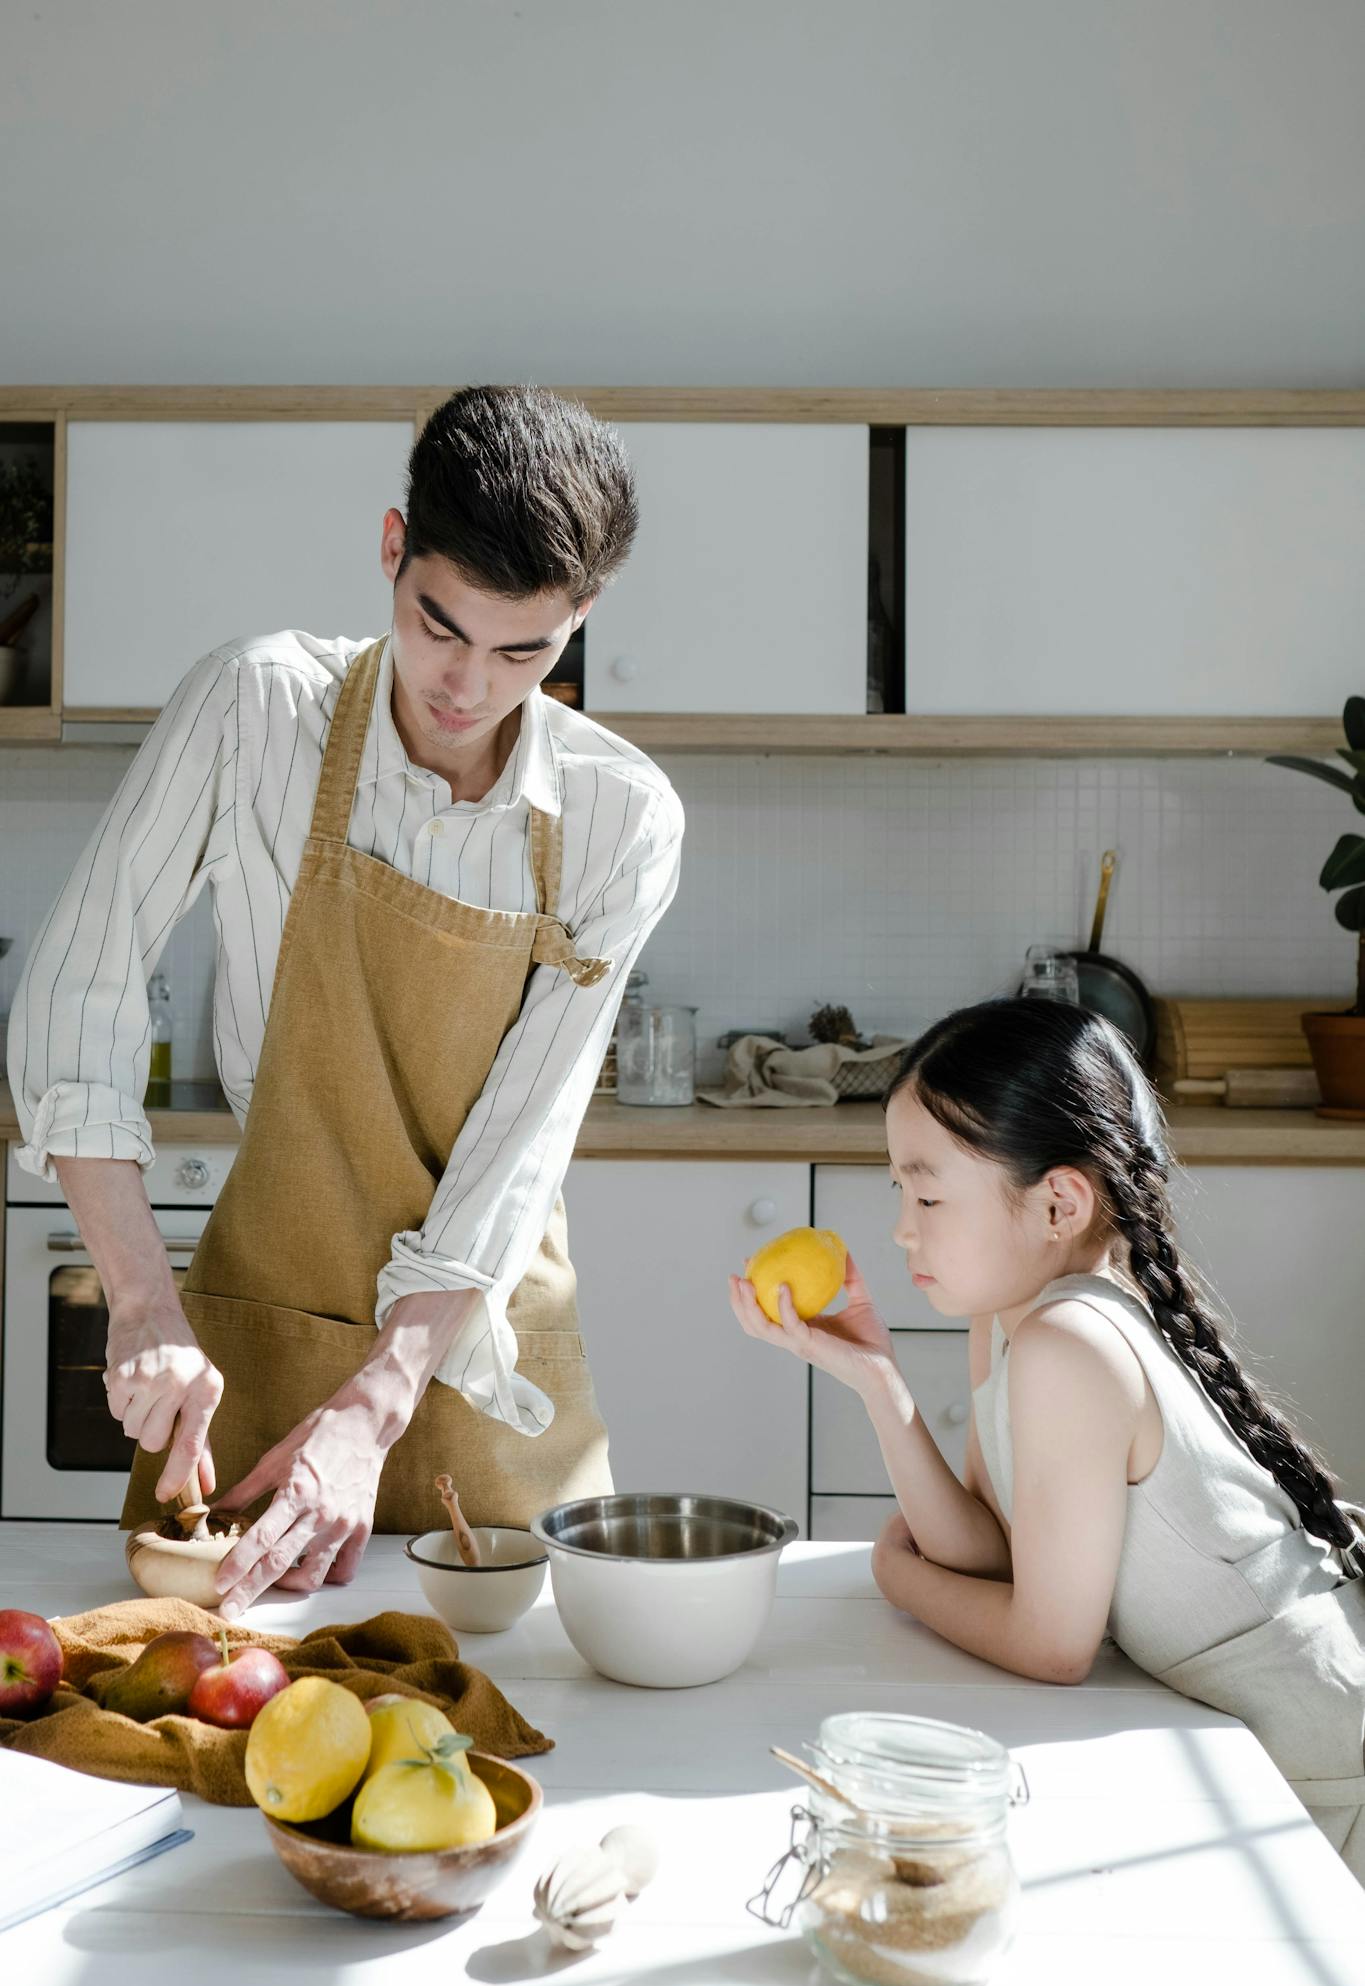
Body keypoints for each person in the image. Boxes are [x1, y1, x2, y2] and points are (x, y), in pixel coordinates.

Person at [11, 384, 683, 1619]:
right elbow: (75, 991)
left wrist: (377, 1407)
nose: (468, 686)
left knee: (513, 1726)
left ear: (582, 618)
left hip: (475, 1354)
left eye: (524, 650)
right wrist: (144, 1302)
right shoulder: (254, 710)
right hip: (257, 1333)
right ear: (391, 549)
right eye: (440, 626)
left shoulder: (618, 821)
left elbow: (518, 1147)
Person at [730, 997, 1365, 1881]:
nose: (902, 1226)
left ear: (1058, 1202)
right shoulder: (1014, 1318)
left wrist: (894, 1573)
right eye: (896, 1190)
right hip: (1268, 1735)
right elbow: (996, 1560)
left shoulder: (1068, 1346)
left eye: (927, 1192)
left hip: (1323, 1758)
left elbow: (1050, 1645)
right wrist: (876, 1382)